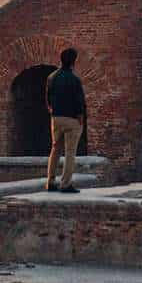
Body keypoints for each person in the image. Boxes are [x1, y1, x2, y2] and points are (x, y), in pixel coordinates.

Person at [45, 48, 86, 193]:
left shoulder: (52, 77)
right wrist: (80, 117)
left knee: (55, 149)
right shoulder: (74, 79)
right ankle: (65, 184)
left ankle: (50, 181)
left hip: (56, 118)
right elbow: (79, 100)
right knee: (70, 152)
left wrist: (52, 109)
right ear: (73, 61)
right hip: (72, 119)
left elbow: (48, 98)